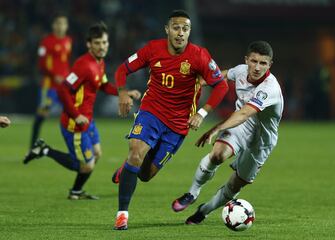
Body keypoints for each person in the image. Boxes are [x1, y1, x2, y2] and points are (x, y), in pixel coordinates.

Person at [112, 9, 229, 230]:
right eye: (176, 27)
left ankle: (127, 168)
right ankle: (122, 215)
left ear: (189, 32)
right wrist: (122, 92)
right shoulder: (152, 49)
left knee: (145, 175)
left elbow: (221, 86)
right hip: (151, 113)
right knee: (135, 152)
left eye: (185, 29)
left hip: (177, 126)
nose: (180, 33)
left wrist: (202, 113)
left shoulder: (199, 55)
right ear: (167, 29)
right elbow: (122, 69)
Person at [23, 22, 141, 200]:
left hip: (88, 120)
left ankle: (76, 191)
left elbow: (102, 84)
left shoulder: (98, 62)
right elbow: (63, 89)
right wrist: (76, 115)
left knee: (97, 154)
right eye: (97, 43)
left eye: (104, 42)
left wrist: (123, 91)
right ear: (89, 44)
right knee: (87, 165)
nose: (102, 47)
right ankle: (44, 150)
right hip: (75, 123)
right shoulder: (83, 65)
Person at [171, 41, 284, 224]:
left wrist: (217, 128)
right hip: (241, 127)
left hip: (261, 141)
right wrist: (201, 83)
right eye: (254, 61)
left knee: (235, 184)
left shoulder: (270, 88)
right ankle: (192, 193)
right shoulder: (240, 70)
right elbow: (222, 75)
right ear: (246, 60)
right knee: (217, 155)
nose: (257, 67)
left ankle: (204, 211)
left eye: (263, 63)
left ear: (270, 65)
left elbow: (245, 112)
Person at [29, 13, 72, 148]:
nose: (61, 26)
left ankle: (75, 146)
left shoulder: (68, 41)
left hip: (64, 86)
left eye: (63, 23)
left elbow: (65, 63)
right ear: (53, 25)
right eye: (58, 23)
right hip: (49, 86)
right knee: (41, 115)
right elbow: (42, 64)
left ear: (66, 26)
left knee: (73, 113)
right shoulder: (46, 42)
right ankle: (32, 146)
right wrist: (55, 76)